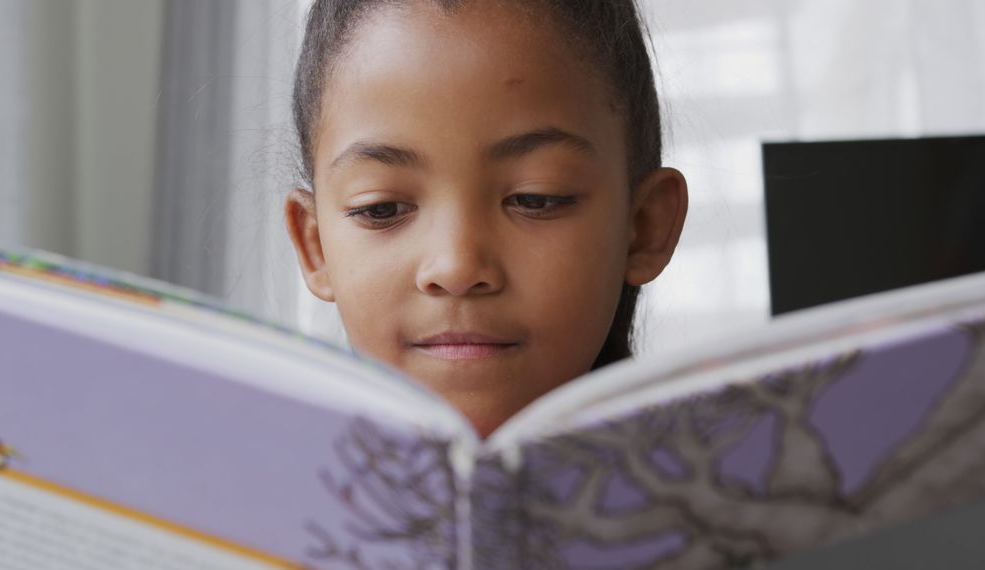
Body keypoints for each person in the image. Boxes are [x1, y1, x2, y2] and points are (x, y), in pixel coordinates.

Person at [284, 0, 687, 437]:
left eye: (536, 199)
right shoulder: (222, 497)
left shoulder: (745, 499)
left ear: (644, 226)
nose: (456, 267)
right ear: (315, 245)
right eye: (381, 209)